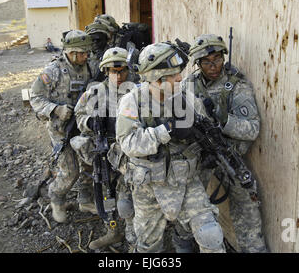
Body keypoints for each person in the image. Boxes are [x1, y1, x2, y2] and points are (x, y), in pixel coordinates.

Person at [116, 42, 226, 253]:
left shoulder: (188, 99)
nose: (179, 79)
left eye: (179, 74)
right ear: (157, 79)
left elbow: (205, 133)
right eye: (173, 75)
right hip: (148, 185)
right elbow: (128, 143)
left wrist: (209, 148)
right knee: (149, 245)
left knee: (210, 235)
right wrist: (165, 130)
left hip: (185, 181)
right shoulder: (132, 102)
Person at [181, 33, 268, 253]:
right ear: (198, 63)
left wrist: (224, 119)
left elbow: (252, 129)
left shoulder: (236, 85)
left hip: (229, 155)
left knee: (248, 208)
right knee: (185, 202)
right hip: (199, 155)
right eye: (207, 62)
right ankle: (185, 244)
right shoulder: (189, 84)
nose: (214, 66)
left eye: (218, 59)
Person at [72, 47, 137, 250]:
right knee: (107, 194)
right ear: (105, 71)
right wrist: (90, 122)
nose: (118, 76)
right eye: (113, 71)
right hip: (104, 152)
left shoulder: (137, 91)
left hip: (130, 154)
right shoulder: (94, 92)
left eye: (122, 71)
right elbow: (79, 115)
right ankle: (113, 232)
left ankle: (134, 237)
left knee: (129, 198)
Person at [29, 30, 95, 223]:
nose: (86, 56)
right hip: (62, 130)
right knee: (70, 171)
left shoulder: (90, 66)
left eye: (86, 52)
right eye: (82, 53)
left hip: (83, 127)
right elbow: (35, 98)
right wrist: (55, 109)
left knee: (90, 163)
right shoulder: (53, 71)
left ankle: (85, 199)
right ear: (71, 52)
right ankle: (57, 199)